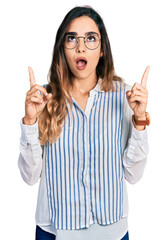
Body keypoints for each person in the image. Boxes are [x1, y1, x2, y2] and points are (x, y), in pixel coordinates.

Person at [18, 6, 150, 240]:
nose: (81, 47)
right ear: (63, 48)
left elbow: (133, 175)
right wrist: (30, 120)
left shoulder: (124, 97)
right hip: (55, 231)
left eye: (90, 38)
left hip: (111, 232)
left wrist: (140, 119)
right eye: (72, 38)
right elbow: (30, 177)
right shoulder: (43, 100)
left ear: (101, 50)